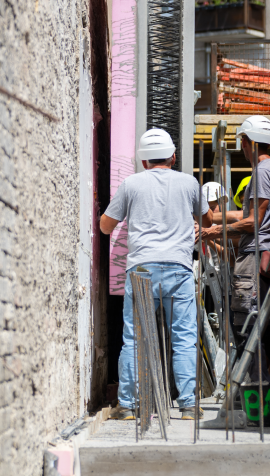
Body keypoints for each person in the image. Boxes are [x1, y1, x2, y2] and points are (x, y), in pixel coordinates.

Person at [100, 128, 213, 421]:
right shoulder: (189, 183)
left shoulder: (131, 184)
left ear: (142, 161)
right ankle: (188, 405)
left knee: (136, 338)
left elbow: (105, 226)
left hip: (141, 269)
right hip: (179, 269)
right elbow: (207, 219)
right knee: (184, 337)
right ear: (173, 157)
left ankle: (127, 405)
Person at [202, 115, 270, 379]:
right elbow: (246, 216)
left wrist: (215, 230)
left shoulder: (261, 172)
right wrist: (214, 222)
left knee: (246, 325)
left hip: (254, 258)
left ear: (249, 142)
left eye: (242, 140)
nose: (242, 146)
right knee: (266, 328)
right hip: (264, 254)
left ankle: (257, 393)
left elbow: (254, 221)